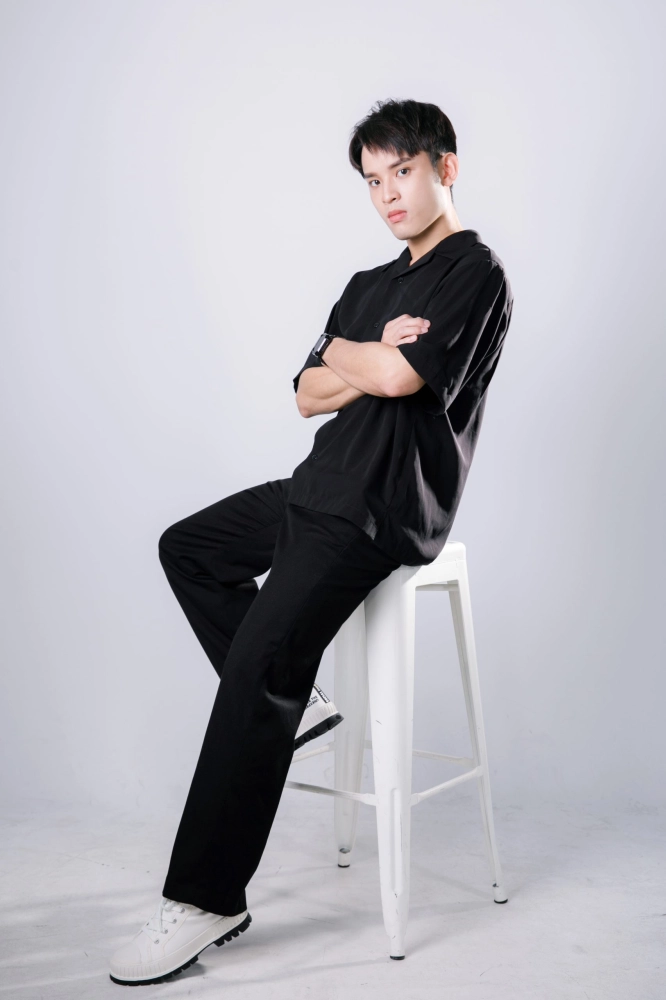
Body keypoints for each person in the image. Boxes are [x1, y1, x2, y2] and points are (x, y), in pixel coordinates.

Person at [109, 97, 514, 986]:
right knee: (188, 548)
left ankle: (207, 900)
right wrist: (354, 348)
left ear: (445, 167)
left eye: (402, 172)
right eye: (372, 181)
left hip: (381, 510)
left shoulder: (475, 272)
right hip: (316, 487)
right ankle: (306, 704)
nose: (388, 194)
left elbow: (399, 377)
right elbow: (305, 394)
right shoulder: (368, 286)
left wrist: (356, 358)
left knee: (258, 666)